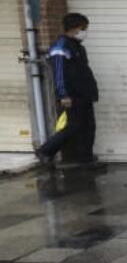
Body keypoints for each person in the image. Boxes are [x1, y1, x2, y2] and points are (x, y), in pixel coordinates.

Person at [36, 13, 99, 167]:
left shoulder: (78, 46)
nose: (85, 31)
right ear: (74, 28)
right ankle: (45, 151)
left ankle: (86, 158)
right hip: (72, 95)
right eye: (83, 28)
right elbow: (58, 73)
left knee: (88, 126)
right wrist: (63, 95)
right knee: (74, 126)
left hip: (84, 94)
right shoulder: (61, 47)